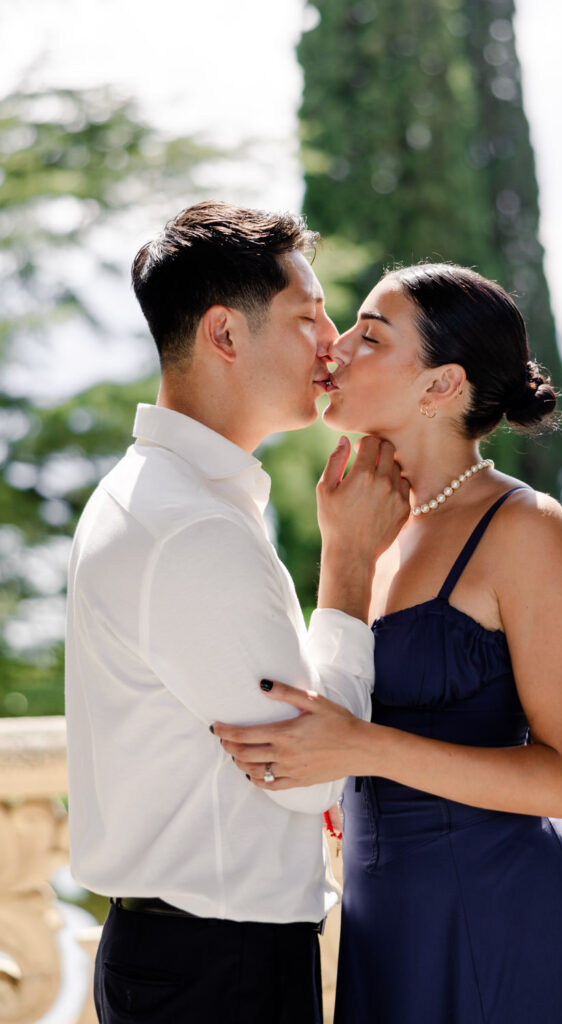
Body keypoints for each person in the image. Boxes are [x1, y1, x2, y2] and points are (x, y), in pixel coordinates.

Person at [213, 263, 562, 1023]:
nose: (333, 350)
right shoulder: (364, 516)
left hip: (501, 917)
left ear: (440, 386)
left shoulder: (523, 528)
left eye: (368, 336)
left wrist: (363, 749)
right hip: (384, 922)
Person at [64, 200, 409, 1024]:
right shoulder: (188, 525)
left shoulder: (175, 498)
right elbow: (313, 773)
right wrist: (351, 561)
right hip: (216, 968)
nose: (331, 341)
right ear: (224, 334)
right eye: (305, 315)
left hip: (193, 958)